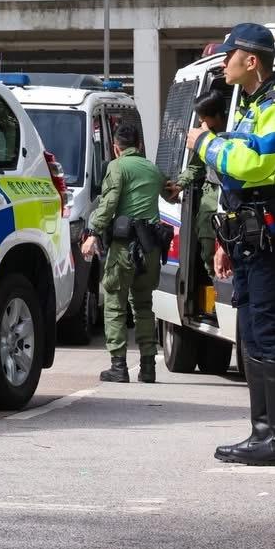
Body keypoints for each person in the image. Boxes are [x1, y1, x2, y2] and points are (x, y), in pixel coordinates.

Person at [186, 22, 275, 467]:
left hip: (271, 235)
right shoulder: (252, 105)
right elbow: (237, 180)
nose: (224, 62)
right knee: (254, 332)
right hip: (249, 234)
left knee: (269, 328)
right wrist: (225, 238)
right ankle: (264, 433)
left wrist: (205, 143)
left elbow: (257, 165)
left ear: (251, 60)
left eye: (229, 55)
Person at [82, 121, 166, 384]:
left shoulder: (116, 167)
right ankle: (149, 367)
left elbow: (108, 203)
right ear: (139, 146)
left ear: (116, 148)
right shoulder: (153, 169)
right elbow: (170, 192)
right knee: (143, 305)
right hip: (151, 248)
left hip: (124, 248)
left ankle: (119, 366)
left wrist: (93, 232)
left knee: (115, 305)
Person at [168, 79, 232, 281]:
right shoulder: (204, 137)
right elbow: (195, 166)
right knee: (207, 243)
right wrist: (180, 184)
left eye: (203, 117)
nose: (200, 122)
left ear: (216, 116)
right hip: (210, 194)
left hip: (229, 193)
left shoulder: (234, 133)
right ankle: (214, 279)